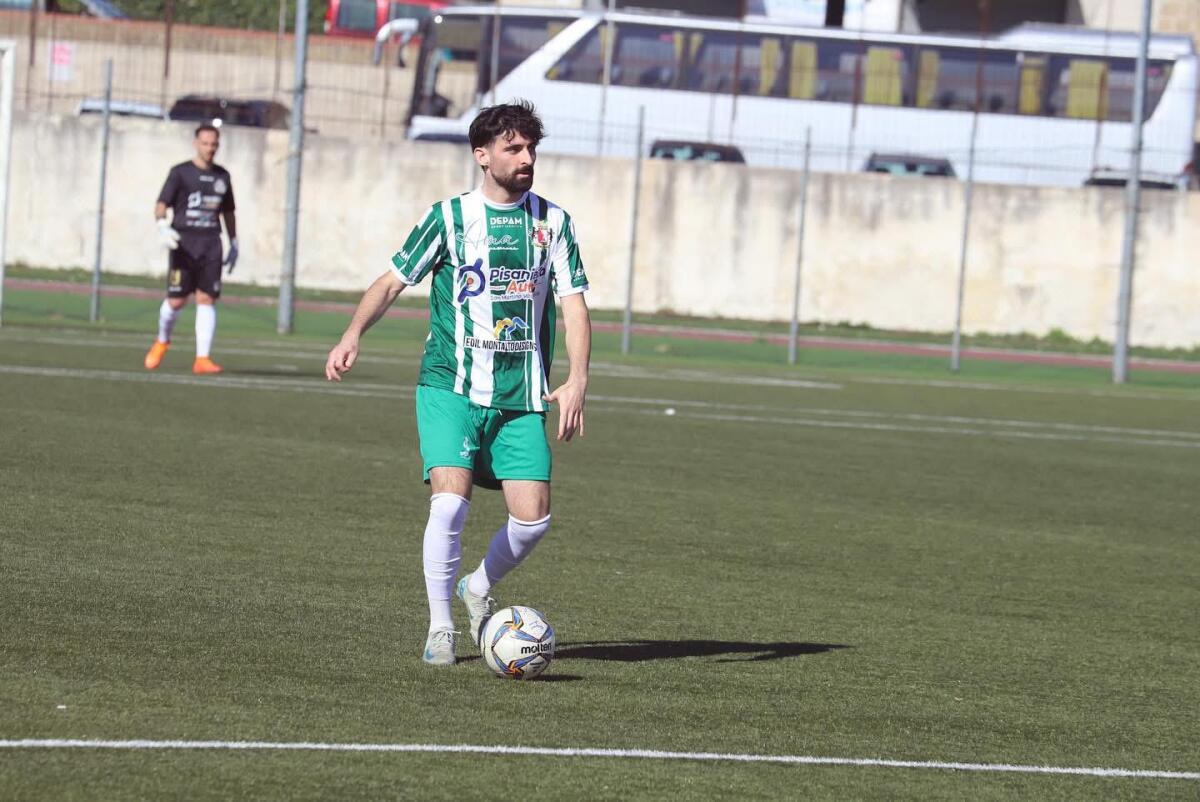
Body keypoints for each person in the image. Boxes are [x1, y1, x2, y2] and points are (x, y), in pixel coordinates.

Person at [324, 100, 591, 667]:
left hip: (521, 395)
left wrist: (577, 379)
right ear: (482, 155)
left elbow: (574, 304)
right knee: (449, 506)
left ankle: (478, 586)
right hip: (450, 384)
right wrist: (352, 334)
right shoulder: (448, 218)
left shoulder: (554, 223)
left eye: (531, 148)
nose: (526, 158)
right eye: (513, 148)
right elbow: (392, 281)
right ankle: (441, 625)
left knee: (533, 520)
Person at [144, 124, 238, 375]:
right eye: (205, 143)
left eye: (214, 144)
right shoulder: (180, 172)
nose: (210, 148)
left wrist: (234, 242)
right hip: (184, 243)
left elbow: (228, 212)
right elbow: (161, 205)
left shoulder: (223, 176)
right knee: (176, 300)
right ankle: (162, 340)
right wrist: (162, 226)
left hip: (211, 243)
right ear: (196, 143)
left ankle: (202, 359)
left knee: (206, 298)